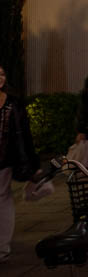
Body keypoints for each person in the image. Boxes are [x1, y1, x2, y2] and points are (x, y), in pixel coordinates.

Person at [0, 64, 40, 263]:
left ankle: (2, 247)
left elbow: (25, 134)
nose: (0, 77)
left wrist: (33, 162)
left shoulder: (13, 103)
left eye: (1, 74)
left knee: (3, 199)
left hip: (5, 160)